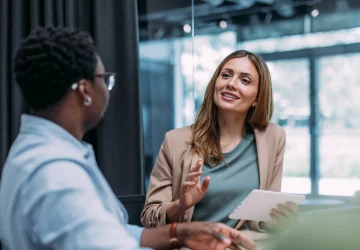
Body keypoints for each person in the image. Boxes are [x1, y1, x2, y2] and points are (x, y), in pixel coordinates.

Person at [0, 27, 256, 250]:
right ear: (85, 90)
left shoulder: (40, 152)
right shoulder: (56, 173)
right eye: (105, 79)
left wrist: (179, 233)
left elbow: (113, 234)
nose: (107, 89)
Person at [141, 50, 299, 232]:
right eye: (226, 75)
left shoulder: (272, 137)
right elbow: (149, 217)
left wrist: (277, 218)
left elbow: (259, 218)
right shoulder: (175, 141)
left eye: (245, 80)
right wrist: (181, 205)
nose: (231, 84)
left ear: (257, 98)